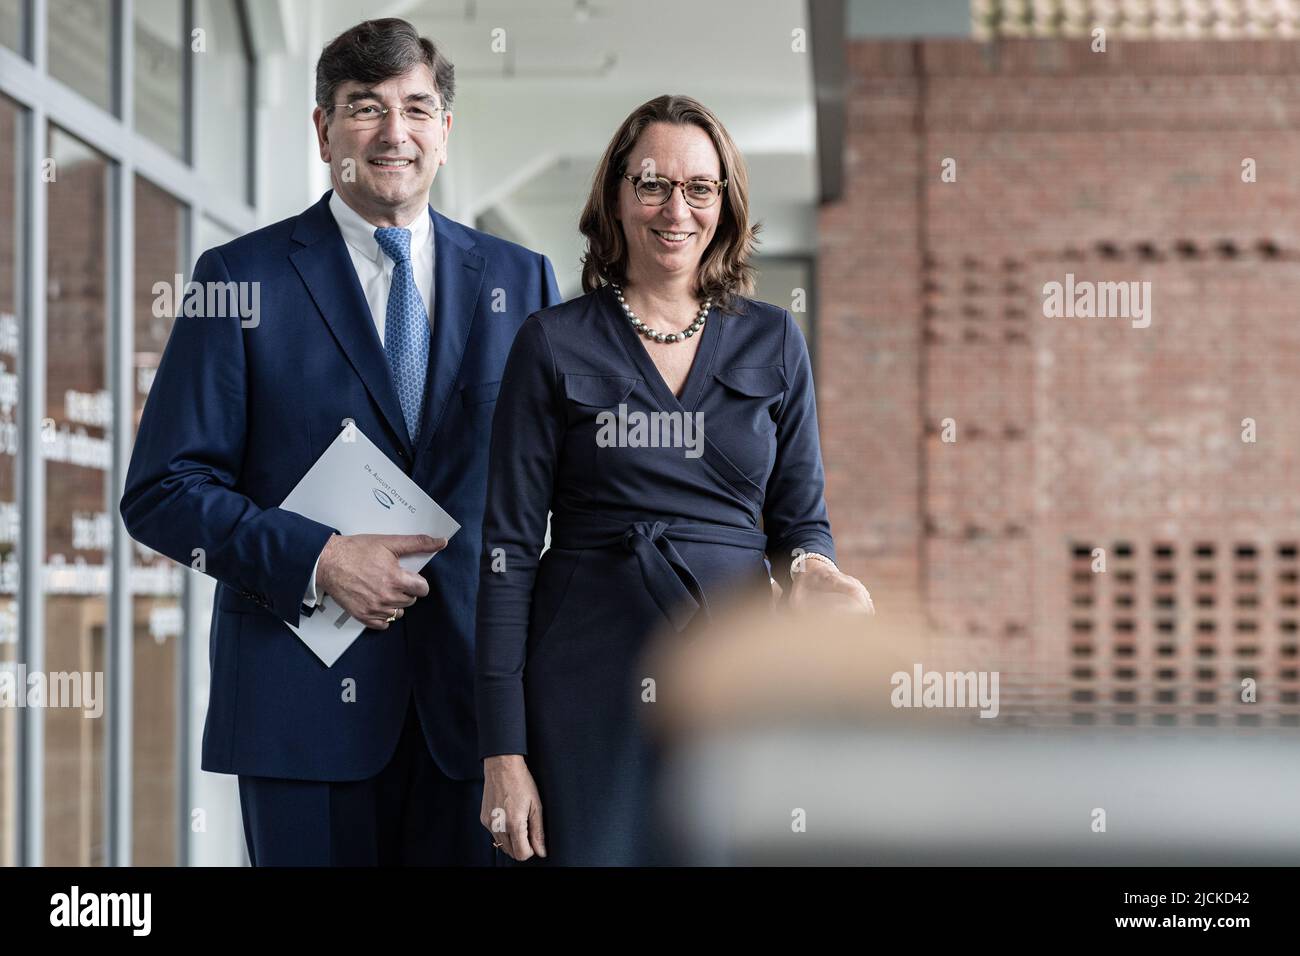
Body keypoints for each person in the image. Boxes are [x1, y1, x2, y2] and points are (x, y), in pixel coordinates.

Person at [120, 18, 560, 865]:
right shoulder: (239, 279)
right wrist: (320, 560)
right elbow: (162, 490)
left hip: (474, 718)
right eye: (366, 108)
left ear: (445, 130)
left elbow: (559, 490)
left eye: (417, 108)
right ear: (324, 131)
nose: (395, 133)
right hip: (300, 712)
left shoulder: (521, 279)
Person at [476, 94, 872, 866]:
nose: (675, 209)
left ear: (724, 205)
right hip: (584, 679)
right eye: (652, 183)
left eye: (700, 187)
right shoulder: (551, 342)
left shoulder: (775, 339)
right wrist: (502, 751)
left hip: (734, 678)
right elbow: (507, 555)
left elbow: (801, 526)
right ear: (617, 198)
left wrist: (817, 575)